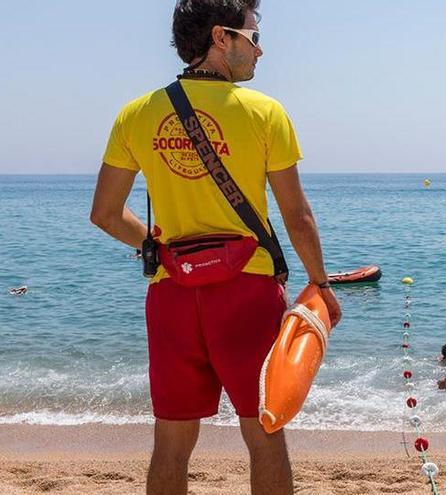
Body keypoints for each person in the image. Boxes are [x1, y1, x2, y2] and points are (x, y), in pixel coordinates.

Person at [89, 2, 341, 493]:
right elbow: (297, 216)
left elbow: (104, 213)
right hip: (246, 293)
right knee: (265, 433)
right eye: (253, 35)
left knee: (172, 444)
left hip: (172, 296)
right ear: (220, 37)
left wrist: (158, 252)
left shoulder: (137, 115)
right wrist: (321, 284)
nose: (260, 48)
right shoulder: (264, 112)